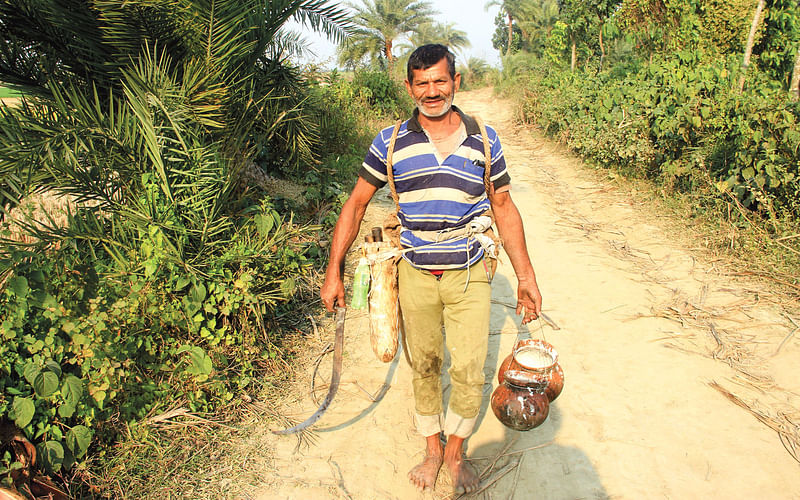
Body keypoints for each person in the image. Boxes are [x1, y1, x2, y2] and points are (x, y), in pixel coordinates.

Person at [320, 44, 542, 494]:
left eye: (440, 80)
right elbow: (357, 203)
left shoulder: (484, 138)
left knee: (468, 369)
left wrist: (526, 277)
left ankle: (456, 452)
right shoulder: (391, 142)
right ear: (409, 87)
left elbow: (503, 205)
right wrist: (333, 270)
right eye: (421, 83)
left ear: (456, 82)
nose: (432, 91)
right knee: (422, 364)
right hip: (415, 275)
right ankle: (431, 448)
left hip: (469, 273)